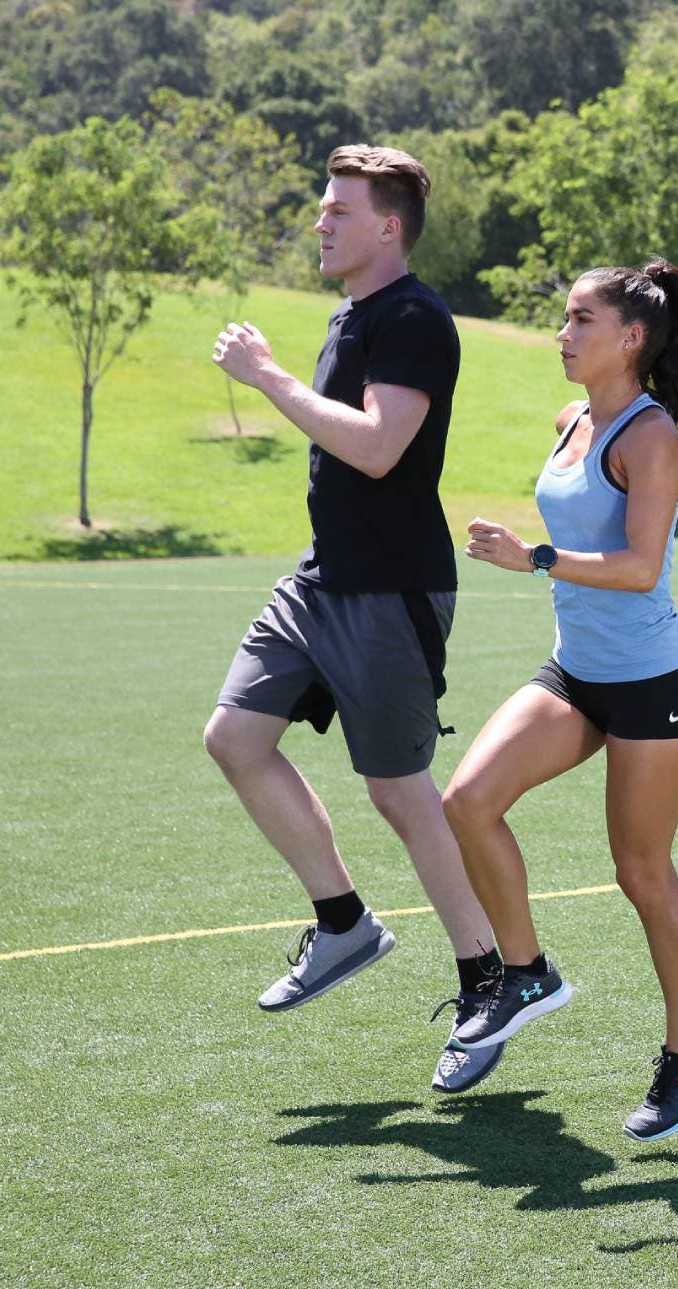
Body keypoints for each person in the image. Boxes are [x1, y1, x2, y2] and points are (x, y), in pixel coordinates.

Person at [207, 145, 504, 1093]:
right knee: (234, 739)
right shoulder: (352, 315)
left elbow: (380, 449)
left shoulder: (414, 318)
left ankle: (487, 982)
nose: (322, 220)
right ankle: (344, 926)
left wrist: (269, 379)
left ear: (389, 226)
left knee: (400, 794)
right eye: (322, 206)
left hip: (390, 595)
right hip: (319, 583)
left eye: (340, 209)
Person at [440, 258, 678, 1142]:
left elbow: (640, 570)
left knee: (641, 873)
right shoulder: (570, 420)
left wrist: (534, 559)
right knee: (467, 801)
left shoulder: (651, 440)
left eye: (580, 320)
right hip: (576, 672)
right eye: (564, 319)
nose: (562, 335)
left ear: (631, 338)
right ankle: (525, 972)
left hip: (650, 684)